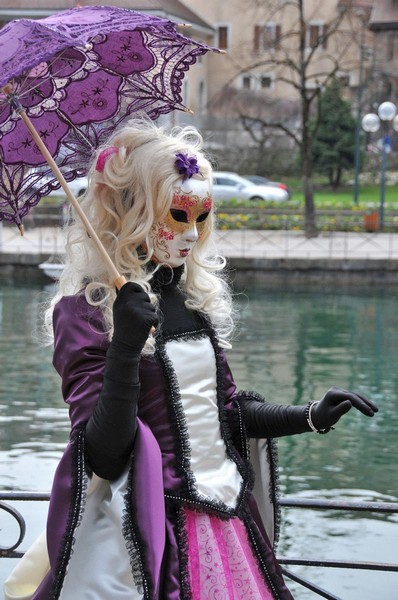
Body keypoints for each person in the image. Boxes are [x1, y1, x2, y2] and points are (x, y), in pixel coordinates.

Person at [5, 119, 378, 600]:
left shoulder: (188, 299)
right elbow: (101, 451)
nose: (192, 233)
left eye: (202, 217)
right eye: (178, 215)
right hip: (149, 539)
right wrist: (125, 345)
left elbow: (223, 414)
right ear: (132, 210)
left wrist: (309, 416)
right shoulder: (86, 313)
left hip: (229, 522)